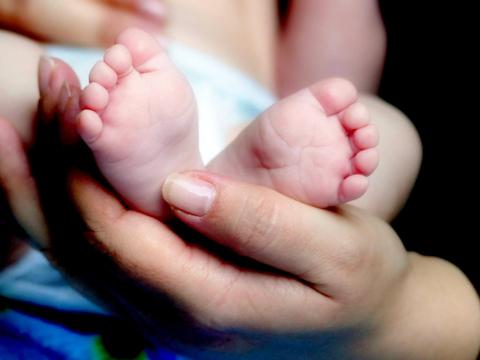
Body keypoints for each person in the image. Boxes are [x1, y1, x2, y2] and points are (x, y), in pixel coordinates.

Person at [0, 1, 478, 359]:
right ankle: (174, 193)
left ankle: (255, 203)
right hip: (80, 112)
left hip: (244, 128)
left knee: (384, 127)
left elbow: (327, 85)